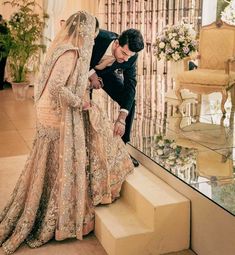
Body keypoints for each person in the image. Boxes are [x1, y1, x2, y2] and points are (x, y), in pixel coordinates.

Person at [0, 11, 133, 254]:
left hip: (54, 109)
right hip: (55, 111)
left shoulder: (67, 47)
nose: (93, 40)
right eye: (91, 35)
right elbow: (57, 89)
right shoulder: (70, 52)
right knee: (54, 159)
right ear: (83, 32)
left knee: (51, 159)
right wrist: (80, 102)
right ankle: (51, 211)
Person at [89, 28, 144, 167]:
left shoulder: (131, 56)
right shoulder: (99, 37)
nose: (125, 59)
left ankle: (122, 151)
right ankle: (86, 151)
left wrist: (121, 119)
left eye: (129, 56)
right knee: (86, 106)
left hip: (107, 73)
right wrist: (91, 74)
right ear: (117, 43)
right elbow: (78, 55)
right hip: (83, 70)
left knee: (129, 101)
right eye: (124, 53)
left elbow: (130, 84)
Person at [0, 15, 10, 90]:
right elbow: (8, 40)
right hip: (3, 52)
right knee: (1, 68)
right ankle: (0, 86)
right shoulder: (5, 29)